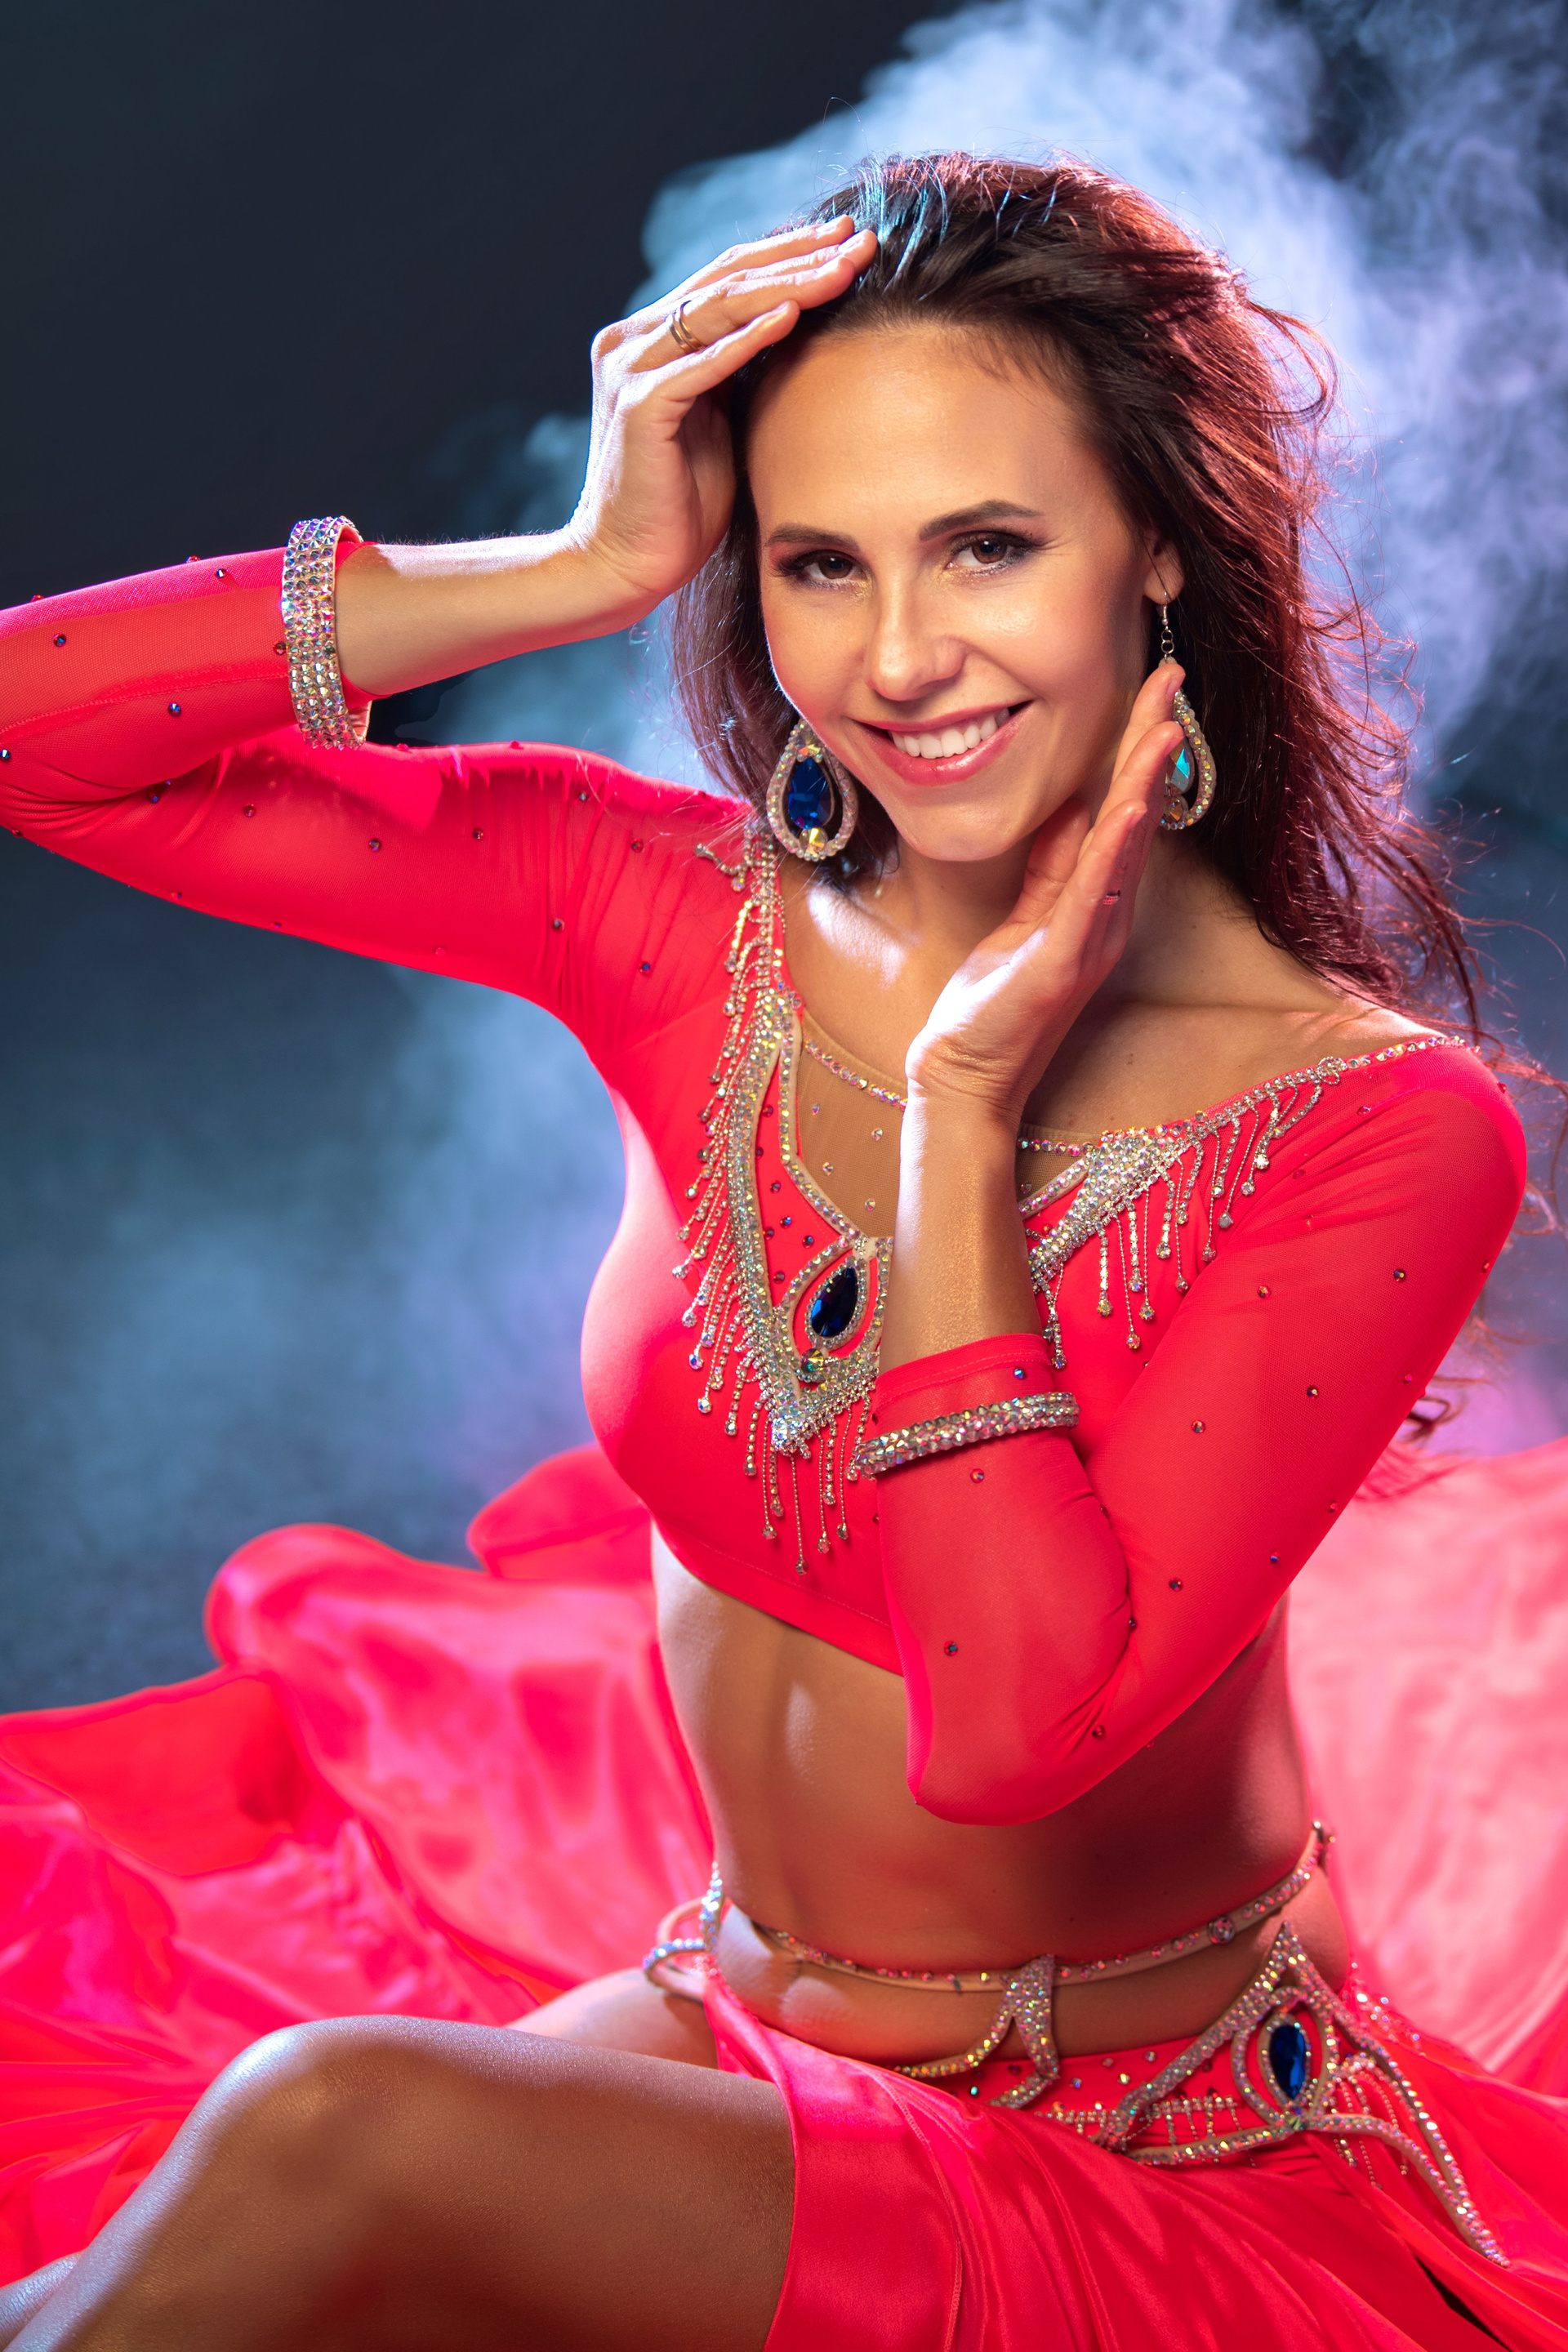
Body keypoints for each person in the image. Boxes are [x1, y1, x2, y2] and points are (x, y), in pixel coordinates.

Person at [0, 151, 1565, 2350]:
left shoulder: (1374, 1126)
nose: (899, 660)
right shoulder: (670, 914)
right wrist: (569, 570)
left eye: (988, 547)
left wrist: (956, 1116)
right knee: (144, 2273)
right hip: (738, 2037)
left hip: (1140, 2156)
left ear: (1161, 553)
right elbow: (41, 744)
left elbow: (1010, 1740)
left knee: (318, 2129)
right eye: (822, 562)